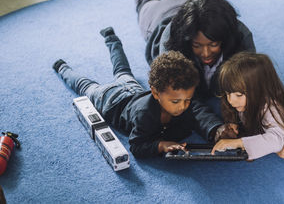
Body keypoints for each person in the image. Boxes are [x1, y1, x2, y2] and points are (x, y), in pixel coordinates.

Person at [52, 27, 238, 158]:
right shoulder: (145, 116)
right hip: (110, 99)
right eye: (176, 102)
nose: (183, 107)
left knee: (123, 70)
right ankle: (63, 68)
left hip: (133, 90)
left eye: (187, 100)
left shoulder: (180, 101)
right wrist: (159, 145)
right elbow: (136, 146)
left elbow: (194, 116)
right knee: (85, 85)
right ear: (156, 93)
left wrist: (217, 130)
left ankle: (111, 39)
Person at [125, 0, 256, 100]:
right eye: (197, 45)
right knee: (145, 0)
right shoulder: (170, 48)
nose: (206, 53)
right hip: (161, 13)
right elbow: (180, 98)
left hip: (196, 6)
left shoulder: (241, 36)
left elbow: (252, 84)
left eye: (213, 44)